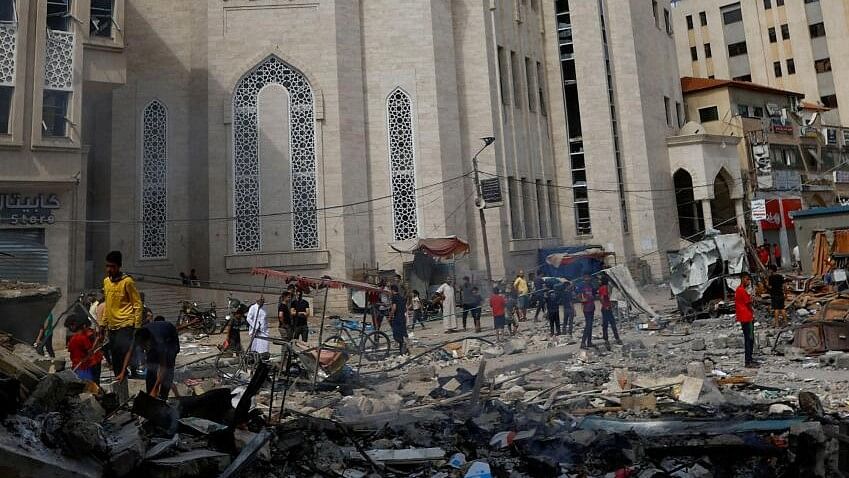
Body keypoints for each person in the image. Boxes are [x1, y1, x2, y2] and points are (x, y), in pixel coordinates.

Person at [100, 251, 143, 381]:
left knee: (122, 349)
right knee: (115, 355)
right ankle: (121, 379)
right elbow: (108, 304)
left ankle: (130, 372)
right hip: (112, 326)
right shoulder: (106, 282)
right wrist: (102, 324)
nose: (109, 269)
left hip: (126, 323)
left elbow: (137, 304)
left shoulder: (127, 282)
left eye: (112, 266)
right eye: (107, 266)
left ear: (119, 266)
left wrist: (137, 325)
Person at [117, 321, 179, 399]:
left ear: (149, 341)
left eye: (144, 345)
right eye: (140, 345)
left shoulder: (160, 342)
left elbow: (163, 366)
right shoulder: (138, 336)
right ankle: (150, 395)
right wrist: (123, 371)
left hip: (170, 337)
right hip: (155, 333)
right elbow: (130, 352)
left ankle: (163, 396)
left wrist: (156, 388)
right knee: (151, 367)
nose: (142, 348)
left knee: (169, 368)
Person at [66, 315, 103, 385]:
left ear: (73, 326)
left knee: (92, 385)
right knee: (93, 384)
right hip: (85, 364)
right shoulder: (82, 336)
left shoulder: (79, 337)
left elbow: (89, 351)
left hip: (88, 364)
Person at [736, 272, 757, 368]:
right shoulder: (741, 290)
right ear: (743, 279)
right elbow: (748, 303)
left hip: (744, 317)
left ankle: (749, 359)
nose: (748, 281)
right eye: (747, 279)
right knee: (750, 339)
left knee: (748, 338)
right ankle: (748, 361)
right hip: (747, 317)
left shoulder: (740, 290)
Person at [598, 277, 622, 349]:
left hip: (605, 308)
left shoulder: (602, 288)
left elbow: (601, 298)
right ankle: (616, 338)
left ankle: (607, 339)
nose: (598, 281)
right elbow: (602, 298)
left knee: (606, 325)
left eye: (600, 280)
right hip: (607, 308)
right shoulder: (604, 287)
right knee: (612, 324)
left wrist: (604, 305)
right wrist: (606, 306)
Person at [389, 285, 408, 355]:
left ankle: (403, 345)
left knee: (396, 334)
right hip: (403, 317)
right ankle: (402, 351)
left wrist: (390, 316)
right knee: (402, 333)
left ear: (392, 290)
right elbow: (405, 308)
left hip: (397, 318)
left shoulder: (394, 297)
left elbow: (394, 308)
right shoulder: (402, 298)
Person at [579, 274, 596, 349]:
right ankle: (583, 342)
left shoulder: (591, 286)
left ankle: (589, 342)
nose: (588, 279)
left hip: (592, 307)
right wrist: (582, 300)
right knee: (588, 325)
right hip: (586, 308)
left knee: (590, 325)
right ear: (584, 278)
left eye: (589, 277)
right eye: (586, 277)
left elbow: (594, 295)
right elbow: (578, 295)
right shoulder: (582, 286)